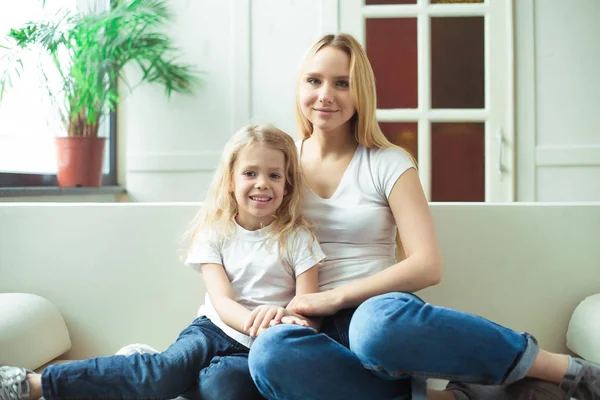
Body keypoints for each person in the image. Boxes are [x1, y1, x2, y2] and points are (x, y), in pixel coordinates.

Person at [247, 33, 600, 400]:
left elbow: (427, 265)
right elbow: (244, 241)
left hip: (379, 315)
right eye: (314, 80)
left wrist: (333, 298)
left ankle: (566, 371)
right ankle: (452, 398)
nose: (325, 95)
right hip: (311, 326)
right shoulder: (277, 164)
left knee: (374, 329)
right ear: (300, 85)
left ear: (361, 92)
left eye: (342, 83)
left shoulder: (388, 162)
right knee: (270, 353)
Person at [0, 124, 325, 400]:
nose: (262, 183)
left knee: (225, 388)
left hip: (256, 351)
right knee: (165, 372)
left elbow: (307, 311)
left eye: (274, 175)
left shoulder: (299, 239)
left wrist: (288, 321)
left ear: (287, 185)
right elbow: (223, 302)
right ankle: (35, 383)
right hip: (211, 331)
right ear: (230, 180)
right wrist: (262, 322)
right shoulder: (215, 233)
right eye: (250, 173)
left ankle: (144, 364)